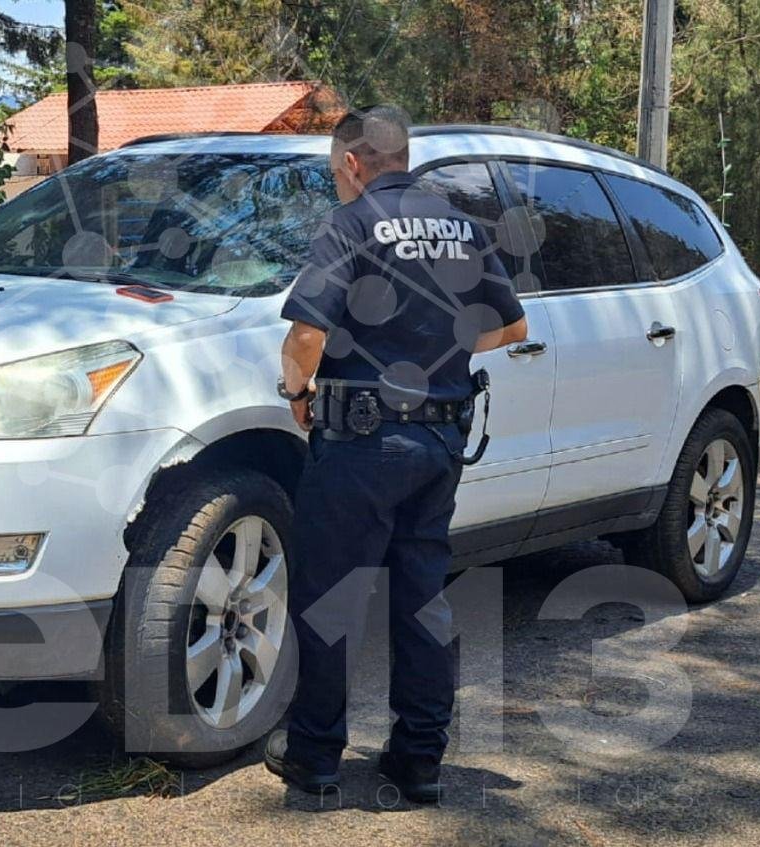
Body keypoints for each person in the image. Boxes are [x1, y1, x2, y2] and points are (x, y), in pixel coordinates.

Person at [263, 105, 528, 803]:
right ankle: (418, 760)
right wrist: (434, 352)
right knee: (421, 601)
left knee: (330, 599)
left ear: (352, 162)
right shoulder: (463, 226)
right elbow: (512, 325)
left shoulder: (350, 223)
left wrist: (295, 391)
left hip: (359, 441)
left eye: (334, 169)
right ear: (401, 158)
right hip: (440, 439)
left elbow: (303, 338)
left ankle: (315, 757)